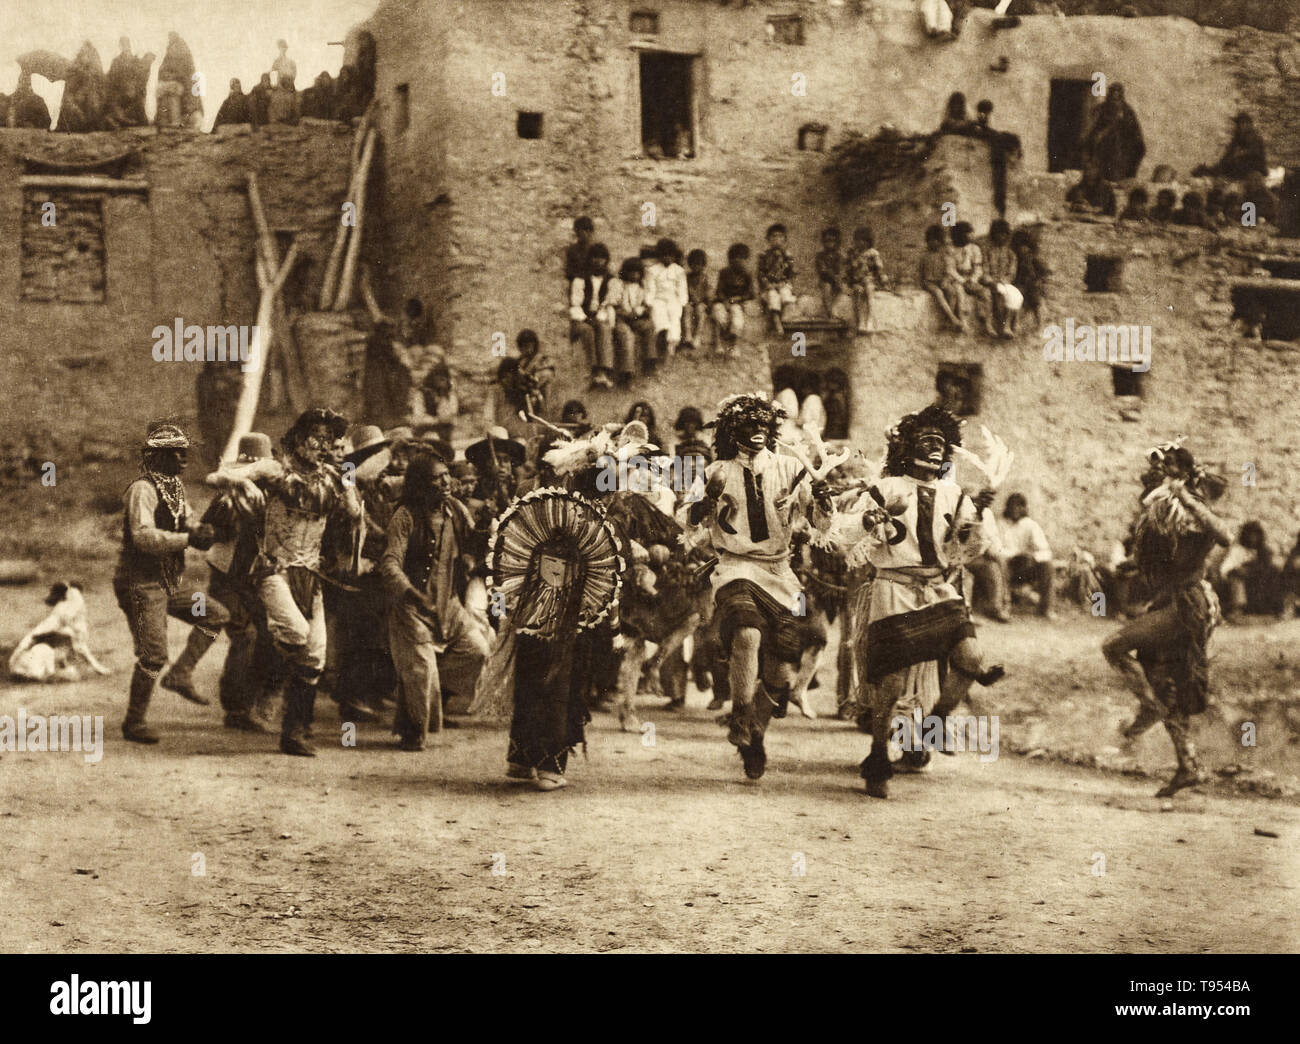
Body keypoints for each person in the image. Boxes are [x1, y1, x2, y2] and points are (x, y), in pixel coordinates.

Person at [844, 405, 1004, 798]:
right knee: (893, 682)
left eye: (940, 442)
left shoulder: (956, 494)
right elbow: (848, 538)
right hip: (894, 589)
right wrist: (871, 521)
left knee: (971, 659)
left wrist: (977, 516)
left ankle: (933, 725)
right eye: (926, 440)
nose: (934, 448)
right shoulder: (886, 488)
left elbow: (969, 548)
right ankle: (878, 756)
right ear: (906, 447)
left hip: (938, 589)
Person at [679, 394, 834, 780]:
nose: (757, 431)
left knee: (781, 670)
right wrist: (703, 506)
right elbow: (687, 523)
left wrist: (822, 499)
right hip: (734, 567)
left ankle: (756, 735)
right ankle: (740, 714)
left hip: (781, 573)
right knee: (746, 632)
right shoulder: (715, 470)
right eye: (749, 425)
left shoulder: (790, 467)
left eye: (764, 425)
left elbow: (820, 525)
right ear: (733, 431)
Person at [205, 408, 363, 756]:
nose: (323, 445)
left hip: (311, 574)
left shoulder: (333, 478)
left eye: (329, 439)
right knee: (295, 633)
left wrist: (349, 483)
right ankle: (268, 681)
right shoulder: (275, 470)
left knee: (315, 654)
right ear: (299, 438)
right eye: (317, 437)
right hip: (273, 569)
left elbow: (353, 514)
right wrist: (245, 481)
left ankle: (296, 733)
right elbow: (215, 477)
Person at [1102, 440, 1231, 797]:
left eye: (1170, 465)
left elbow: (1225, 536)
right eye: (1159, 465)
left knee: (1113, 646)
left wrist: (1185, 497)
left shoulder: (1189, 509)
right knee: (1165, 682)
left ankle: (1149, 708)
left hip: (1187, 605)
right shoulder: (1162, 512)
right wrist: (1127, 566)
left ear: (1184, 474)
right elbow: (1159, 561)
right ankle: (1187, 765)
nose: (1160, 470)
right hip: (1171, 603)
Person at [114, 423, 227, 744]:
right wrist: (188, 538)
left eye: (184, 451)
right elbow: (143, 536)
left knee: (215, 615)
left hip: (167, 581)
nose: (183, 457)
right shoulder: (142, 490)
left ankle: (180, 673)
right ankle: (134, 722)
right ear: (157, 456)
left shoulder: (174, 487)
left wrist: (201, 530)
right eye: (174, 452)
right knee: (153, 655)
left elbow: (186, 521)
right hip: (140, 582)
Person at [380, 451, 487, 748]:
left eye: (447, 475)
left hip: (448, 605)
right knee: (420, 672)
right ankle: (413, 732)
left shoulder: (455, 509)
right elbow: (389, 563)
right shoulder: (404, 517)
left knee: (477, 651)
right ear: (420, 485)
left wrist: (486, 529)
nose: (447, 482)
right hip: (411, 608)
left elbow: (474, 540)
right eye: (438, 478)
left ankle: (420, 684)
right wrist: (411, 593)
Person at [199, 433, 278, 731]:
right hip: (228, 577)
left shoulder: (271, 495)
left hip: (254, 576)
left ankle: (253, 699)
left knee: (267, 634)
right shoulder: (228, 496)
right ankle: (236, 708)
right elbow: (207, 531)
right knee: (245, 636)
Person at [569, 243, 616, 389]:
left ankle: (603, 372)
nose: (598, 261)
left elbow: (607, 302)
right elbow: (575, 304)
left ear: (606, 260)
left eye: (602, 258)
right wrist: (585, 318)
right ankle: (593, 370)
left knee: (604, 328)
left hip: (598, 316)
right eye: (595, 257)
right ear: (590, 259)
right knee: (587, 330)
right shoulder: (580, 279)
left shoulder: (610, 280)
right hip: (581, 318)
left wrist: (599, 317)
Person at [1219, 520, 1284, 620]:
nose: (1253, 538)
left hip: (1258, 584)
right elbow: (1225, 569)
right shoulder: (1238, 550)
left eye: (1256, 535)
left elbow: (1267, 567)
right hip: (1243, 584)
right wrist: (1239, 570)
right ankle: (1237, 610)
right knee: (1236, 579)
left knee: (1274, 573)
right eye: (1251, 535)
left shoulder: (1264, 551)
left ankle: (1274, 609)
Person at [1081, 82, 1145, 182]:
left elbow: (1135, 132)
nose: (1115, 100)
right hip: (1104, 150)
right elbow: (1091, 129)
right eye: (1113, 96)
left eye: (1117, 97)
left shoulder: (1127, 111)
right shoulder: (1101, 109)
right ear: (1109, 95)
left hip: (1122, 151)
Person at [951, 222, 997, 337]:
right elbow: (951, 269)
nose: (972, 235)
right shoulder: (951, 250)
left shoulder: (975, 249)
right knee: (960, 294)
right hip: (957, 279)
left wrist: (973, 279)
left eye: (972, 233)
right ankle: (963, 323)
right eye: (968, 233)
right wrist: (962, 280)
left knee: (986, 293)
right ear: (961, 235)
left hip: (971, 279)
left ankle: (988, 324)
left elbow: (978, 267)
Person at [612, 257, 654, 382]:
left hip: (635, 318)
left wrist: (641, 310)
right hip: (621, 319)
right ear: (625, 272)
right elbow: (614, 305)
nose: (634, 275)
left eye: (637, 272)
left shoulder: (642, 287)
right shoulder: (619, 285)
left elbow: (646, 305)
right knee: (627, 336)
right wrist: (625, 313)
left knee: (649, 326)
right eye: (631, 272)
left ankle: (649, 362)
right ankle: (627, 373)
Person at [646, 237, 688, 362]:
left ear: (674, 256)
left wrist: (682, 301)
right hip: (658, 298)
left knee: (675, 317)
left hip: (673, 299)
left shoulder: (679, 271)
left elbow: (682, 287)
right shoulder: (652, 270)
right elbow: (650, 288)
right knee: (659, 313)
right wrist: (649, 302)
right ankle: (662, 334)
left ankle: (672, 342)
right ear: (659, 256)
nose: (667, 258)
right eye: (664, 255)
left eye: (670, 255)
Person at [1194, 112, 1268, 181]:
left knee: (1231, 166)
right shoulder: (1238, 137)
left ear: (1248, 124)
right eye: (1239, 124)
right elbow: (1229, 154)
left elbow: (1255, 151)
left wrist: (1240, 153)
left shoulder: (1253, 137)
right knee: (1224, 165)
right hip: (1242, 168)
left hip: (1254, 169)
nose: (1239, 126)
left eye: (1242, 123)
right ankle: (1209, 171)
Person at [845, 226, 889, 335]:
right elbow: (849, 269)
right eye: (857, 240)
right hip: (857, 281)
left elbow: (879, 268)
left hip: (870, 280)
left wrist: (883, 278)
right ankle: (860, 321)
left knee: (869, 291)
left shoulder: (873, 253)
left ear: (868, 242)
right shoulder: (853, 253)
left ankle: (870, 319)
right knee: (858, 292)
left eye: (862, 241)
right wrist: (849, 280)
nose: (859, 243)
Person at [920, 223, 964, 331]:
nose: (934, 243)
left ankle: (946, 320)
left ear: (940, 242)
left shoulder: (944, 255)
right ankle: (952, 318)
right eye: (931, 240)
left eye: (936, 240)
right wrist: (924, 281)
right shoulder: (924, 255)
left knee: (952, 292)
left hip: (940, 280)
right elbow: (922, 273)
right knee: (938, 292)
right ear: (927, 241)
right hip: (928, 282)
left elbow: (948, 270)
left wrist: (945, 280)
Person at [757, 224, 797, 336]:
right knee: (773, 296)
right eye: (773, 236)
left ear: (784, 239)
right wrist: (768, 284)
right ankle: (777, 323)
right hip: (769, 287)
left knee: (785, 294)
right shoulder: (764, 256)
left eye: (780, 236)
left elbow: (791, 274)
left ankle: (785, 320)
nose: (777, 239)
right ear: (768, 239)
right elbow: (761, 274)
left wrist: (785, 284)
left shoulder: (788, 256)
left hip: (783, 285)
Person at [156, 32, 202, 130]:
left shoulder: (179, 48)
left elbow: (180, 70)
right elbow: (165, 69)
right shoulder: (175, 49)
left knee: (170, 90)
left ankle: (173, 120)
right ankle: (168, 120)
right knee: (166, 90)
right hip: (182, 87)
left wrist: (171, 76)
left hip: (185, 90)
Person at [982, 219, 1019, 338]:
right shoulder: (987, 252)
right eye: (998, 234)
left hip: (1005, 282)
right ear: (994, 235)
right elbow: (984, 269)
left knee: (1013, 295)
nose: (1001, 237)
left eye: (1004, 234)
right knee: (994, 295)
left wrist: (1004, 281)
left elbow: (1012, 272)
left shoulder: (1011, 254)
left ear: (1007, 235)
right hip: (990, 282)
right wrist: (991, 281)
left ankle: (1006, 326)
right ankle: (995, 326)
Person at [58, 41, 106, 133]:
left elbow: (101, 92)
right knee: (71, 106)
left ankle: (88, 124)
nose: (85, 57)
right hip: (76, 103)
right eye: (84, 54)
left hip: (90, 105)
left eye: (88, 55)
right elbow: (68, 92)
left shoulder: (94, 73)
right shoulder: (74, 71)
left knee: (92, 100)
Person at [713, 243, 754, 350]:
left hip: (737, 303)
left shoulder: (747, 274)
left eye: (741, 258)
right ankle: (718, 344)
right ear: (730, 260)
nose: (737, 261)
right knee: (718, 312)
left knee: (737, 316)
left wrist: (738, 298)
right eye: (734, 258)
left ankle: (735, 345)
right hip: (723, 301)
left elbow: (751, 293)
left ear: (746, 260)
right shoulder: (724, 272)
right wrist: (724, 301)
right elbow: (719, 291)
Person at [103, 37, 151, 129]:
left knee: (140, 115)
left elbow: (142, 76)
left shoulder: (133, 60)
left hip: (131, 94)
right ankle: (120, 119)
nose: (125, 47)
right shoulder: (118, 61)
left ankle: (120, 120)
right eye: (124, 45)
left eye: (126, 44)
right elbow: (111, 78)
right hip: (122, 94)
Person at [682, 249, 713, 351]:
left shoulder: (705, 278)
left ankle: (697, 336)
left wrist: (707, 303)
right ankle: (688, 334)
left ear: (703, 265)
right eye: (693, 264)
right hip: (690, 302)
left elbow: (708, 293)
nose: (696, 267)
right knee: (687, 309)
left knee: (701, 312)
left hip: (701, 303)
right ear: (690, 265)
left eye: (698, 264)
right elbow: (685, 291)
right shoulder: (687, 277)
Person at [814, 226, 845, 319]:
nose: (829, 244)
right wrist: (833, 277)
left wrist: (838, 278)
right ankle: (829, 313)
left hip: (836, 280)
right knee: (827, 287)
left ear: (836, 242)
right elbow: (822, 270)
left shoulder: (839, 256)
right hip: (825, 280)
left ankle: (835, 310)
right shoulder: (820, 256)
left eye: (832, 241)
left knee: (841, 289)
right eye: (827, 241)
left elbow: (840, 268)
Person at [564, 216, 596, 283]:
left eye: (589, 230)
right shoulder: (572, 250)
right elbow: (568, 273)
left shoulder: (597, 250)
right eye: (583, 230)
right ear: (577, 232)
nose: (586, 233)